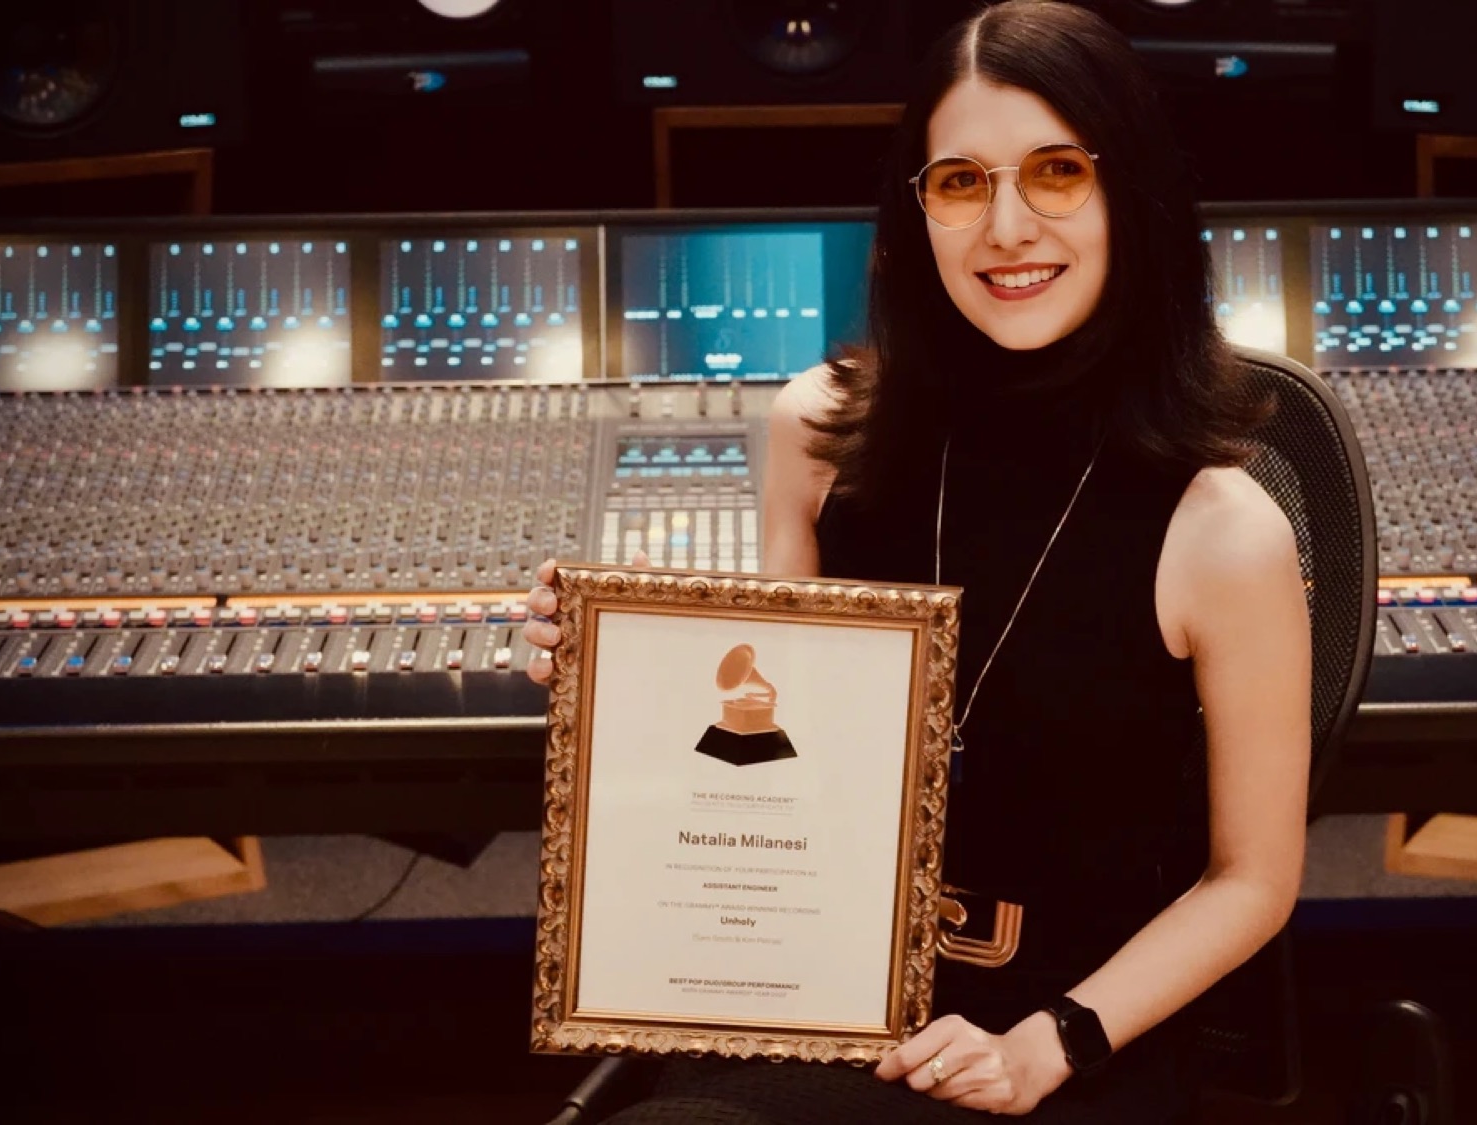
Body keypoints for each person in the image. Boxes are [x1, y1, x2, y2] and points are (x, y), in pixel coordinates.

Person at [522, 2, 1310, 1119]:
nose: (1006, 227)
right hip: (825, 997)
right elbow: (770, 766)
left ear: (1131, 195)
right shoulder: (816, 436)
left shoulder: (1225, 532)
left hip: (1068, 1038)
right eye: (960, 182)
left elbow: (1253, 881)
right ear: (915, 210)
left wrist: (1048, 1045)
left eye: (1056, 173)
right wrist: (613, 685)